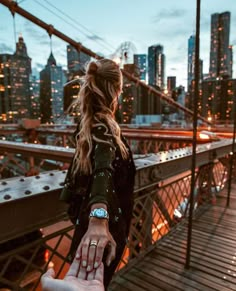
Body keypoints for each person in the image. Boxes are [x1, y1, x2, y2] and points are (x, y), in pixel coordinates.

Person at [60, 58, 136, 289]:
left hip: (90, 231)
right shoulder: (105, 126)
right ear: (117, 90)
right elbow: (103, 170)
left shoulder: (88, 125)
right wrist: (99, 220)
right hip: (103, 234)